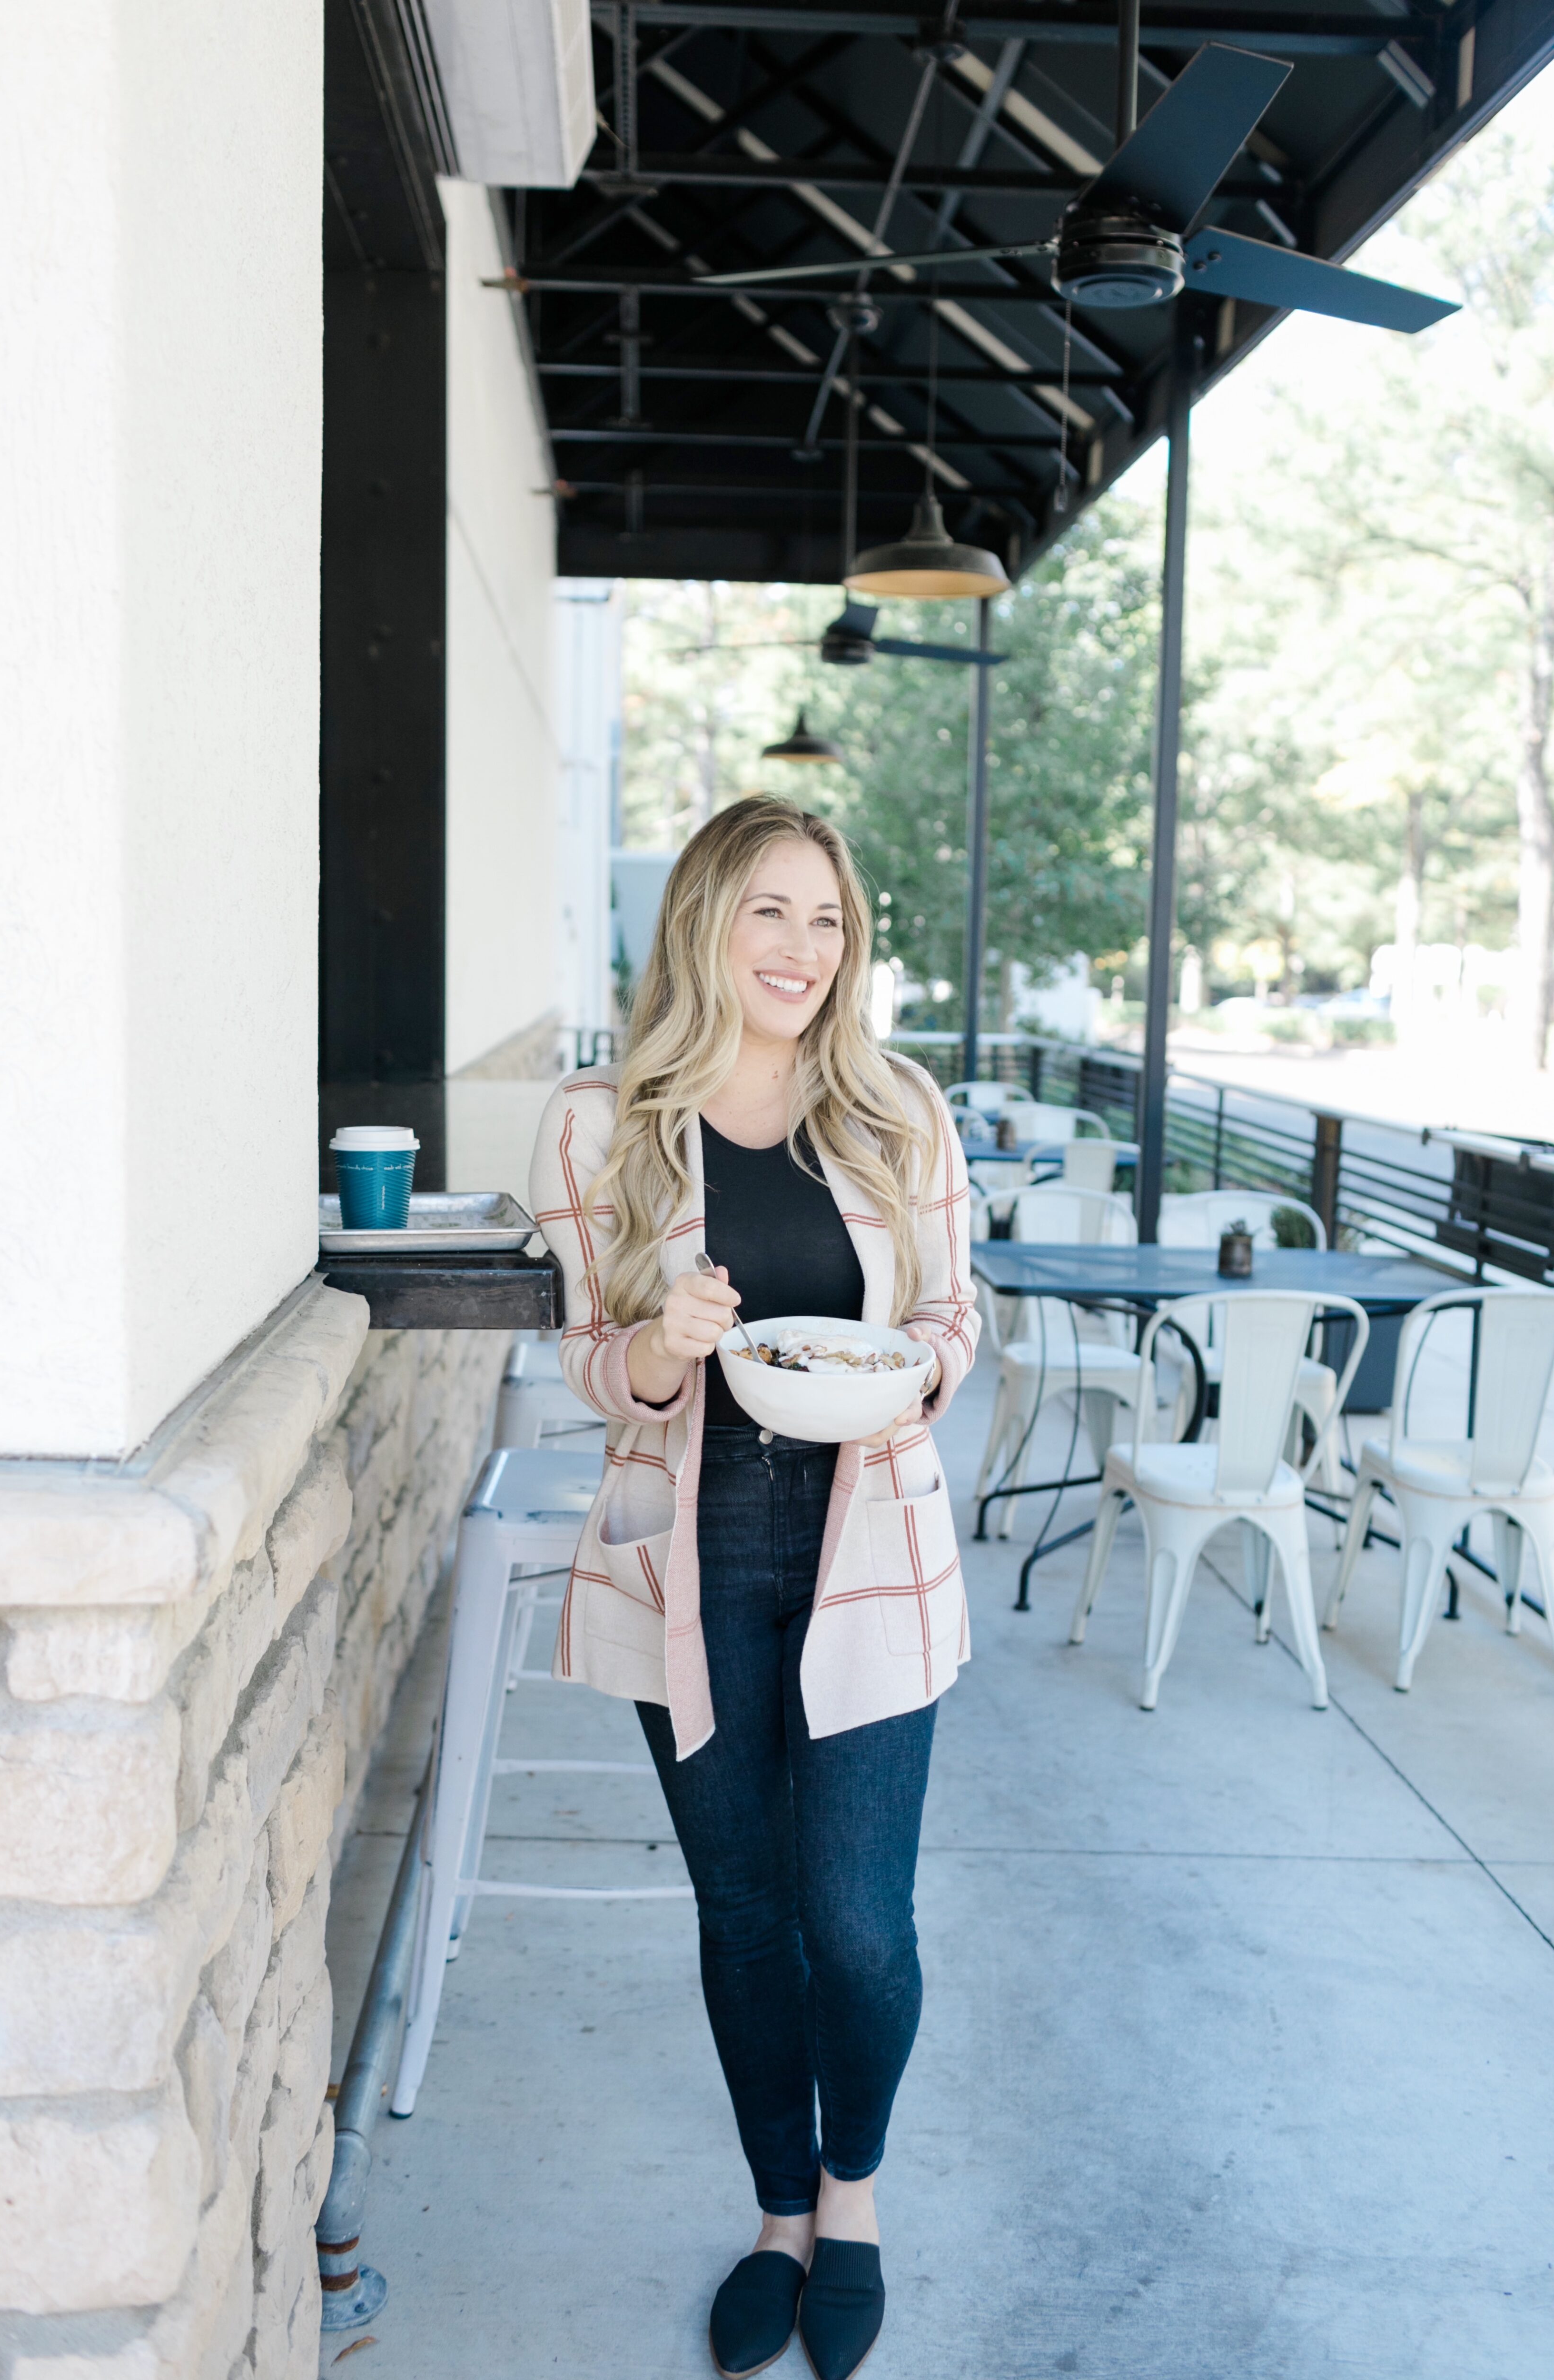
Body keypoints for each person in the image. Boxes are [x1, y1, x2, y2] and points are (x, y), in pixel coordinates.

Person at [531, 795, 977, 2380]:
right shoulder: (603, 1124)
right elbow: (595, 1363)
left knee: (856, 1928)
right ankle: (780, 2212)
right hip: (694, 1559)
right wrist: (664, 1340)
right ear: (706, 921)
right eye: (770, 912)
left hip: (871, 1548)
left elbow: (952, 1319)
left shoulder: (895, 1109)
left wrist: (912, 1368)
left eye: (831, 920)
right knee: (744, 1917)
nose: (804, 949)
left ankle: (852, 2192)